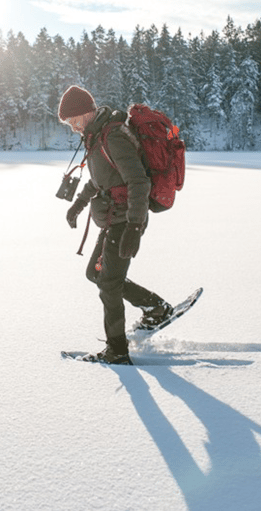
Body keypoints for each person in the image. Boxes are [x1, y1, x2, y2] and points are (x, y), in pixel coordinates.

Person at [59, 85, 174, 365]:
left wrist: (134, 227)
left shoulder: (112, 137)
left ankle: (117, 351)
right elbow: (100, 180)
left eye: (73, 121)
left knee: (108, 284)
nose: (72, 128)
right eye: (67, 124)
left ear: (85, 113)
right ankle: (157, 309)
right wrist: (79, 204)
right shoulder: (96, 137)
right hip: (114, 219)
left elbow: (139, 181)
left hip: (126, 220)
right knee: (95, 274)